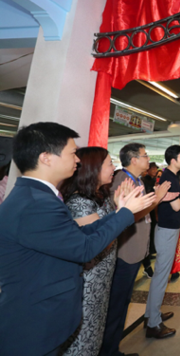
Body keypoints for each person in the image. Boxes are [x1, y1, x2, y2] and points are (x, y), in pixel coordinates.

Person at [0, 122, 155, 356]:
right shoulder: (37, 203)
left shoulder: (37, 197)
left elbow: (77, 235)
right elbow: (84, 249)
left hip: (43, 315)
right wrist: (125, 213)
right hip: (37, 319)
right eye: (72, 153)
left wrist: (118, 213)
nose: (78, 160)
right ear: (46, 157)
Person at [100, 144, 170, 356]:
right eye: (145, 155)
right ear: (133, 160)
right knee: (116, 305)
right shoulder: (124, 180)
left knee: (123, 303)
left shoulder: (136, 180)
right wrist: (157, 198)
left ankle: (114, 349)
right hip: (125, 252)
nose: (148, 159)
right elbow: (129, 216)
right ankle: (108, 351)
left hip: (134, 250)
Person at [57, 147, 119, 356]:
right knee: (84, 337)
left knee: (96, 331)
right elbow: (101, 242)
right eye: (109, 164)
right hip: (89, 281)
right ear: (94, 169)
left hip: (101, 277)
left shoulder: (99, 196)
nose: (114, 168)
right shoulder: (80, 202)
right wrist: (124, 211)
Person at [144, 145, 180, 339]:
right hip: (167, 230)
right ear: (173, 160)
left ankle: (151, 314)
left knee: (160, 274)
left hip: (167, 228)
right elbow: (176, 206)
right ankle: (153, 324)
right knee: (161, 276)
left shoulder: (172, 176)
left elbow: (172, 202)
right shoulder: (169, 177)